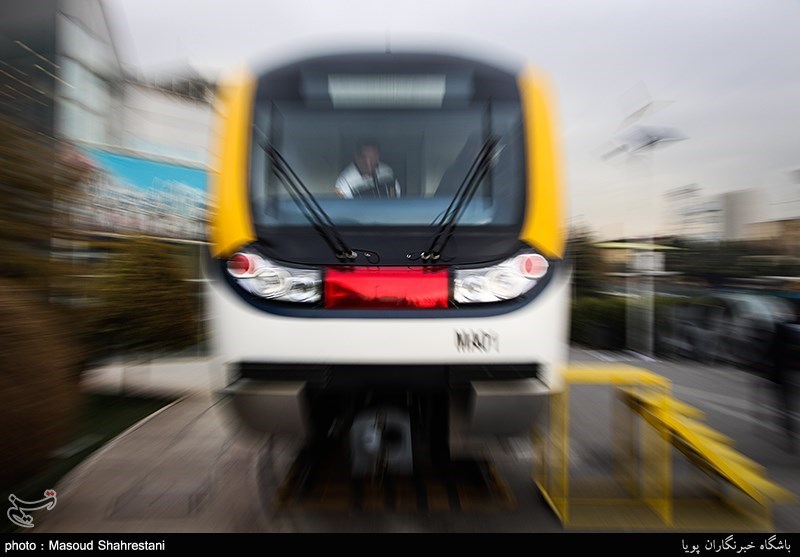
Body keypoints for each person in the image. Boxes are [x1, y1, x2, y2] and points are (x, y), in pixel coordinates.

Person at [335, 142, 400, 199]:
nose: (368, 163)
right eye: (364, 158)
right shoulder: (344, 181)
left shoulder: (387, 171)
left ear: (378, 156)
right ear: (356, 157)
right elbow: (347, 208)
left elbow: (395, 198)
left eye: (372, 158)